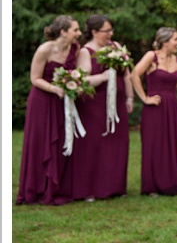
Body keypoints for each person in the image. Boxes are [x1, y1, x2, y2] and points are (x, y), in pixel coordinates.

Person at [17, 15, 82, 205]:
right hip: (43, 100)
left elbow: (76, 73)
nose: (79, 34)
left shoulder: (75, 49)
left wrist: (75, 86)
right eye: (75, 30)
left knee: (61, 140)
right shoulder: (44, 49)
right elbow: (35, 78)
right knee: (40, 141)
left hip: (63, 102)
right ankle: (36, 189)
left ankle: (57, 188)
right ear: (63, 32)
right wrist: (54, 88)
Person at [131, 28, 177, 197]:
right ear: (164, 41)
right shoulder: (151, 56)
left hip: (172, 108)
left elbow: (175, 85)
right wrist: (145, 98)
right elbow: (134, 75)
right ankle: (152, 187)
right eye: (176, 39)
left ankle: (175, 183)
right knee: (155, 145)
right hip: (154, 108)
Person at [72, 15, 134, 201]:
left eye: (111, 30)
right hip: (94, 104)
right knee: (94, 145)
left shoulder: (115, 47)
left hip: (117, 103)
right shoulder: (85, 52)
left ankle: (115, 187)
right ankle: (90, 189)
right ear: (94, 32)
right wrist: (104, 77)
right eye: (106, 31)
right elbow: (82, 80)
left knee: (118, 142)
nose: (110, 34)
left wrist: (130, 97)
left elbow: (126, 75)